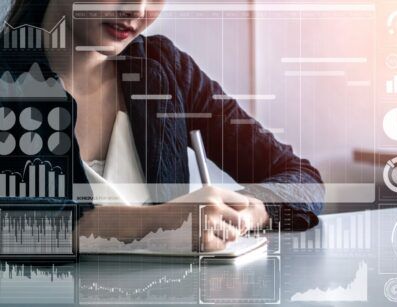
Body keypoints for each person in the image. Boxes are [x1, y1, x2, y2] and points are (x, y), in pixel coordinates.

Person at [0, 0, 324, 251]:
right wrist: (155, 223)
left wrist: (243, 213)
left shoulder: (166, 68)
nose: (137, 10)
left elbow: (301, 178)